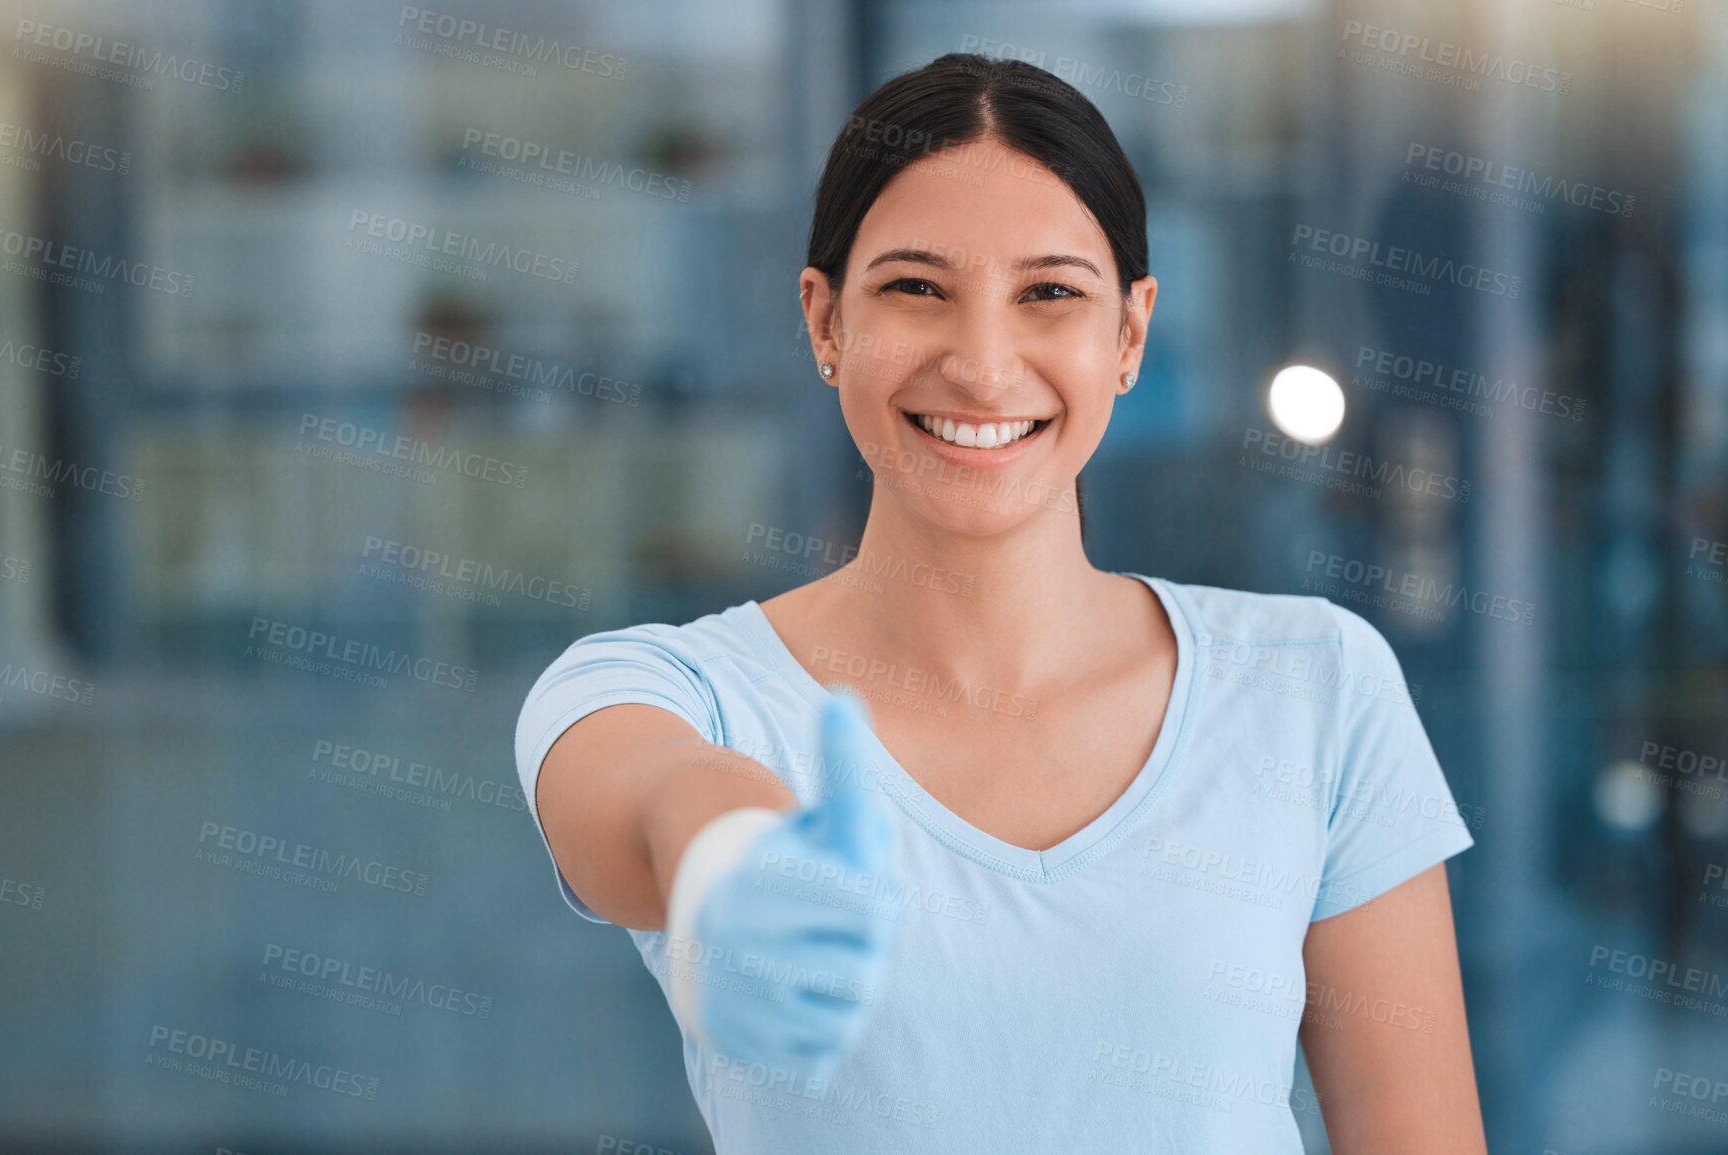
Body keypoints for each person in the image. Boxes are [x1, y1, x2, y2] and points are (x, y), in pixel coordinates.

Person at [516, 52, 1488, 1154]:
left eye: (1051, 294)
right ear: (825, 321)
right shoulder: (669, 690)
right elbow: (655, 794)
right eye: (916, 288)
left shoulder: (1317, 684)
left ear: (1128, 335)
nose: (983, 366)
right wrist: (727, 860)